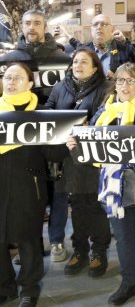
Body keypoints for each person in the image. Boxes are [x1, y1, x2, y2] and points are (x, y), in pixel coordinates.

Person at [67, 59, 135, 306]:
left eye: (131, 80)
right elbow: (90, 147)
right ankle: (129, 283)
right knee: (123, 238)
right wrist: (76, 147)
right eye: (120, 80)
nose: (124, 85)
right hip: (114, 186)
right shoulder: (104, 112)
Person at [0, 62, 67, 307]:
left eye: (18, 77)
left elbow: (54, 155)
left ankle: (29, 287)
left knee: (28, 239)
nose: (11, 81)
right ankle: (5, 287)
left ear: (30, 84)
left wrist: (65, 143)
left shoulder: (40, 115)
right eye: (7, 76)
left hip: (30, 185)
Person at [45, 49, 110, 278]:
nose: (78, 65)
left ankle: (98, 251)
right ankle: (80, 250)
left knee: (95, 206)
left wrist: (88, 127)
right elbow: (49, 113)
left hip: (94, 159)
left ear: (95, 67)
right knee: (77, 206)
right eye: (75, 61)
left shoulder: (106, 88)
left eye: (84, 61)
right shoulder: (60, 87)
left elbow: (108, 118)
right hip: (69, 158)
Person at [69, 14, 135, 78]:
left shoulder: (124, 50)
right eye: (95, 24)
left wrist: (118, 80)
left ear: (112, 29)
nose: (99, 27)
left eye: (104, 24)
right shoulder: (83, 51)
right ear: (91, 29)